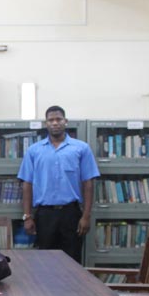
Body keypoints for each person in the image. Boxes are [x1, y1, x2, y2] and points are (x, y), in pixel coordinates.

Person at [17, 105, 100, 264]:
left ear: (65, 121)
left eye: (58, 119)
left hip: (71, 214)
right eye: (51, 120)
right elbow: (27, 184)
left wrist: (86, 216)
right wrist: (27, 216)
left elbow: (88, 183)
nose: (55, 123)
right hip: (45, 215)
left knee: (73, 262)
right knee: (45, 262)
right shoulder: (34, 151)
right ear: (46, 123)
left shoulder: (81, 148)